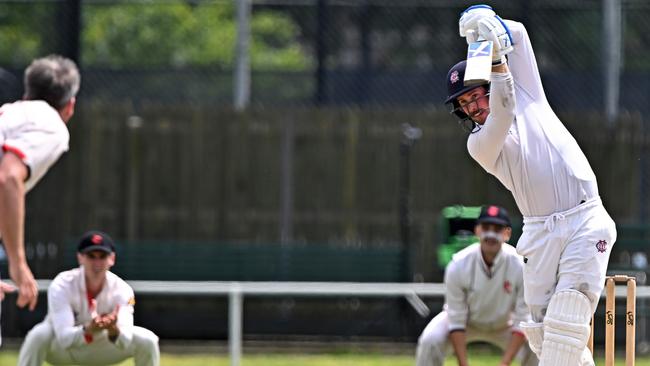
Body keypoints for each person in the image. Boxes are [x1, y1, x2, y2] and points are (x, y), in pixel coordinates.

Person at [445, 5, 617, 365]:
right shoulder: (480, 144)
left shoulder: (529, 95)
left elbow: (518, 36)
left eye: (475, 95)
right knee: (543, 334)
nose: (474, 106)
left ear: (485, 86)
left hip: (585, 219)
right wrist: (486, 51)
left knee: (567, 320)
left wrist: (486, 26)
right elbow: (502, 108)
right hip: (539, 234)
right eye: (464, 104)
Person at [0, 54, 80, 321]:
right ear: (70, 106)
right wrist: (18, 263)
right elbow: (8, 178)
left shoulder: (8, 113)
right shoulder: (51, 126)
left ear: (27, 92)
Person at [416, 205, 537, 366]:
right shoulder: (458, 264)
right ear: (477, 231)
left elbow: (523, 318)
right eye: (486, 227)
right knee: (430, 339)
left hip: (504, 324)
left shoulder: (520, 266)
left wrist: (504, 363)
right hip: (467, 322)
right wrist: (463, 363)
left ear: (507, 233)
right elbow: (456, 318)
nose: (491, 234)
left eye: (497, 229)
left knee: (538, 344)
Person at [17, 231, 160, 366]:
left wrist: (113, 330)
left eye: (102, 256)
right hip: (66, 351)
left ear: (112, 258)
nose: (97, 262)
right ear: (80, 257)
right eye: (91, 255)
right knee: (38, 335)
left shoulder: (125, 290)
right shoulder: (61, 284)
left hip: (105, 348)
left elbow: (126, 340)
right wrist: (88, 329)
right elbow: (64, 339)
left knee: (148, 340)